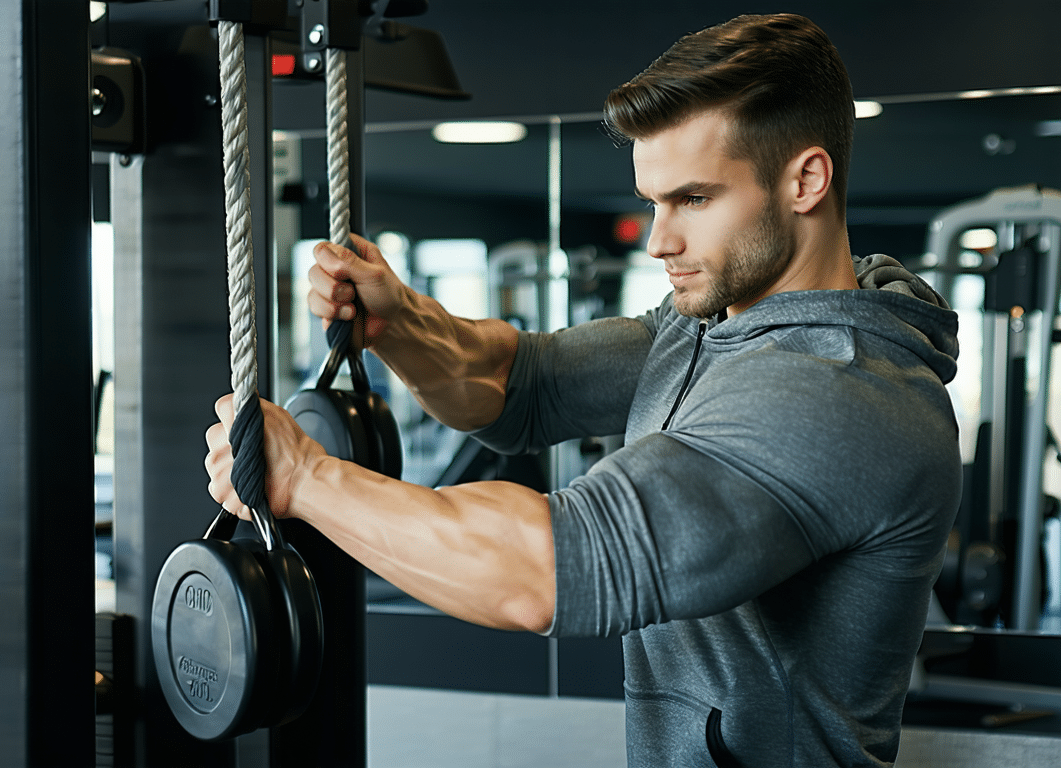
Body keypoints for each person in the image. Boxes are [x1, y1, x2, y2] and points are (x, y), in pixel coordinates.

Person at [205, 13, 960, 768]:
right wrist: (402, 322)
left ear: (806, 180)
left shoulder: (836, 393)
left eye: (693, 200)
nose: (660, 238)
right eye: (653, 201)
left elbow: (541, 570)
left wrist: (304, 476)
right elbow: (520, 383)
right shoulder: (712, 327)